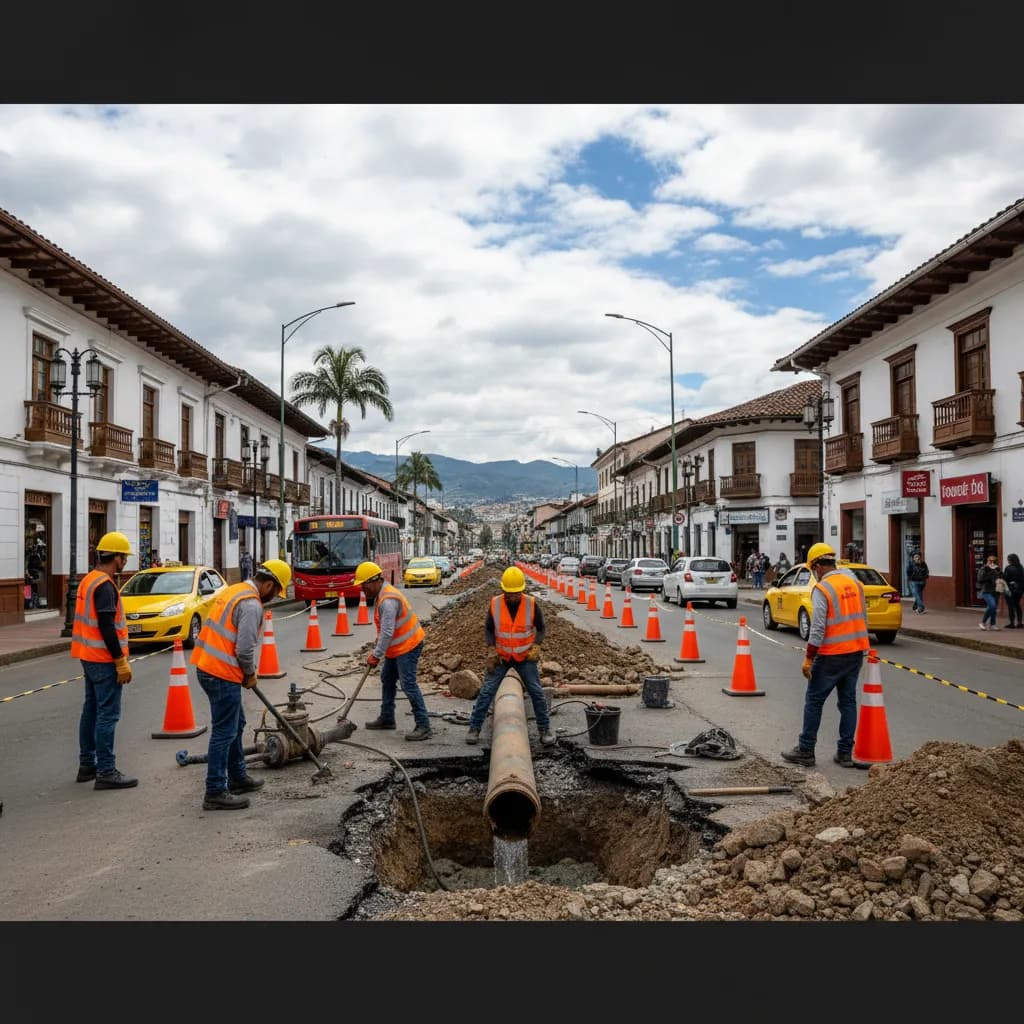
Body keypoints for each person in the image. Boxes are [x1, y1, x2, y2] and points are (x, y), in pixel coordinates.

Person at [190, 558, 291, 809]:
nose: (275, 598)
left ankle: (237, 776)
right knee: (224, 731)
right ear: (268, 585)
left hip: (208, 666)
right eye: (277, 592)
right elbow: (244, 648)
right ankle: (215, 790)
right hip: (221, 672)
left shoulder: (235, 590)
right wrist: (250, 673)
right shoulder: (251, 604)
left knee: (238, 723)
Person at [781, 542, 869, 770]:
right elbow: (863, 617)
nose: (814, 574)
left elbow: (818, 626)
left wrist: (809, 657)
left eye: (813, 569)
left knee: (814, 701)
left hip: (831, 654)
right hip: (855, 653)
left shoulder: (823, 589)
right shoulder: (855, 584)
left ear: (819, 566)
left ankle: (806, 749)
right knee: (848, 702)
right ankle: (845, 753)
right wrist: (864, 648)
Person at [72, 531, 137, 790]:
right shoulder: (105, 585)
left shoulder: (88, 580)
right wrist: (119, 660)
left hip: (87, 655)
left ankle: (87, 764)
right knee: (107, 714)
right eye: (124, 557)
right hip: (103, 659)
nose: (125, 562)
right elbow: (107, 626)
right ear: (117, 558)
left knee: (91, 710)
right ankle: (106, 771)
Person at [466, 566, 555, 747]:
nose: (513, 596)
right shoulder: (495, 604)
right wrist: (491, 649)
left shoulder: (531, 604)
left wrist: (537, 645)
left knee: (537, 693)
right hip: (502, 656)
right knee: (487, 691)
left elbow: (542, 628)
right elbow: (489, 629)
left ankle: (544, 730)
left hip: (524, 657)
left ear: (522, 590)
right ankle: (474, 728)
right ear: (503, 590)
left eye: (517, 593)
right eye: (510, 593)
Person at [353, 560, 432, 741]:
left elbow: (388, 632)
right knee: (387, 678)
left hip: (408, 645)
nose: (362, 590)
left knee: (408, 684)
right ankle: (387, 717)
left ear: (374, 581)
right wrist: (379, 647)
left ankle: (423, 725)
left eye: (363, 585)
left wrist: (376, 655)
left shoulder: (388, 601)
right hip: (396, 647)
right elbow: (386, 631)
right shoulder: (382, 595)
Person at [976, 553, 1003, 631]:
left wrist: (1000, 574)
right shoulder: (983, 568)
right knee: (992, 606)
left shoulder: (997, 568)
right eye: (990, 561)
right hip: (986, 591)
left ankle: (992, 624)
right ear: (987, 561)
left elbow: (1000, 578)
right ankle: (983, 623)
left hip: (996, 591)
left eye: (994, 561)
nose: (992, 562)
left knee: (992, 608)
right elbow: (980, 579)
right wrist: (990, 572)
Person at [1003, 553, 1024, 628]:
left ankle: (1012, 623)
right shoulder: (1021, 567)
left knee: (1011, 607)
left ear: (1010, 560)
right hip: (1019, 590)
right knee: (1017, 605)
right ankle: (1020, 623)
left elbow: (1005, 578)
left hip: (1010, 590)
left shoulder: (1008, 568)